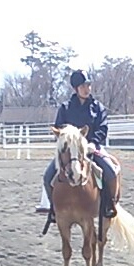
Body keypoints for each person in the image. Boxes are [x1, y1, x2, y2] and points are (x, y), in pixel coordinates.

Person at [43, 69, 119, 223]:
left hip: (92, 147)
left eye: (88, 85)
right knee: (47, 177)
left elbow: (103, 128)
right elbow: (59, 128)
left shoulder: (97, 107)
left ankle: (109, 205)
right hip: (70, 152)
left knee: (111, 172)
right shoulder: (65, 108)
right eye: (83, 86)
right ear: (75, 88)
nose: (87, 89)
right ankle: (54, 209)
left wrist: (93, 143)